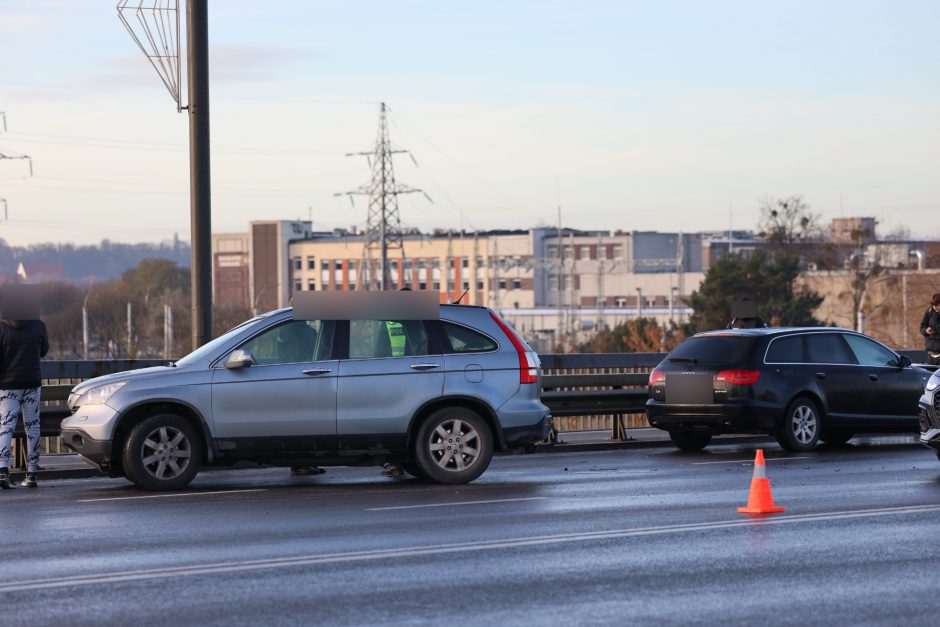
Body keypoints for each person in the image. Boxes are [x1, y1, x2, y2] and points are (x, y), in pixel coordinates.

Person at [0, 317, 49, 489]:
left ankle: (2, 470)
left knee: (6, 426)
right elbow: (44, 351)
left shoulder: (2, 325)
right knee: (33, 427)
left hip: (8, 385)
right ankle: (32, 474)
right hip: (32, 383)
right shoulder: (38, 325)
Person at [919, 293, 940, 366]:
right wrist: (926, 331)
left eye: (937, 305)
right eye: (934, 305)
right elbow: (922, 327)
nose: (935, 307)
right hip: (930, 354)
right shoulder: (929, 311)